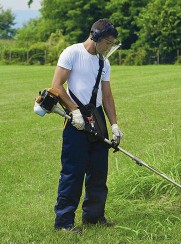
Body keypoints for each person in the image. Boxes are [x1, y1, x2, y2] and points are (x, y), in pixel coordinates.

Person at [51, 18, 123, 233]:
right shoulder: (72, 53)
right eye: (108, 43)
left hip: (97, 117)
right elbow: (56, 86)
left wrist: (115, 125)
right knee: (73, 172)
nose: (109, 47)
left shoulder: (104, 62)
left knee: (99, 171)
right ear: (96, 37)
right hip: (75, 119)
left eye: (112, 44)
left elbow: (107, 96)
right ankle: (64, 223)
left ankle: (94, 216)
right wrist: (73, 111)